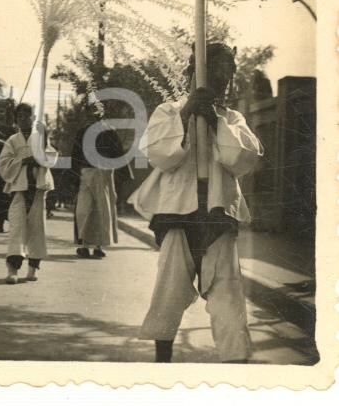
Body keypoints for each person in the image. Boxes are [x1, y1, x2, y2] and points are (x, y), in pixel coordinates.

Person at [130, 42, 263, 363]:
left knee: (228, 296)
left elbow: (243, 159)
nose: (223, 77)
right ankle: (163, 363)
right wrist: (188, 111)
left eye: (228, 72)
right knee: (169, 292)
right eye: (216, 69)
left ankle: (237, 366)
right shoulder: (169, 111)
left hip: (217, 218)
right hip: (178, 217)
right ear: (194, 72)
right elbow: (159, 153)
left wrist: (215, 123)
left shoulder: (232, 117)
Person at [0, 102, 58, 284]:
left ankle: (33, 268)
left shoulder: (40, 137)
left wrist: (40, 154)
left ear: (34, 118)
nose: (24, 119)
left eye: (28, 116)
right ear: (16, 120)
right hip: (20, 188)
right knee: (17, 229)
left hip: (38, 188)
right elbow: (3, 163)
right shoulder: (13, 141)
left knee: (37, 229)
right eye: (20, 117)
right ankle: (13, 269)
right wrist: (24, 160)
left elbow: (51, 157)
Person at [71, 105, 127, 259]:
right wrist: (76, 177)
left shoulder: (109, 131)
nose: (94, 114)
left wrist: (115, 176)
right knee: (84, 209)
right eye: (92, 111)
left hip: (104, 173)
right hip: (86, 173)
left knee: (102, 210)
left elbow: (118, 156)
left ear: (102, 113)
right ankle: (84, 245)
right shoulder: (83, 132)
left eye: (98, 111)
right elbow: (75, 156)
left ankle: (98, 246)